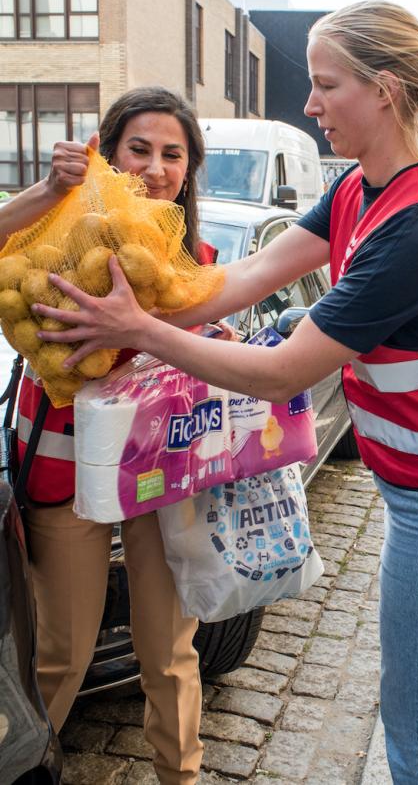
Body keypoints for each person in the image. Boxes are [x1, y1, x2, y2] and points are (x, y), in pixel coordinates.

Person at [34, 1, 418, 784]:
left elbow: (286, 369)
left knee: (413, 711)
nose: (310, 103)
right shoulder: (364, 189)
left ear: (384, 91)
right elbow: (247, 276)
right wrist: (121, 311)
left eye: (325, 85)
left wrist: (146, 331)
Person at [0, 86, 213, 785]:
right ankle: (21, 766)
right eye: (139, 149)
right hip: (66, 468)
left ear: (190, 168)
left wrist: (220, 340)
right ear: (108, 154)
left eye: (172, 154)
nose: (156, 167)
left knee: (170, 651)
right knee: (60, 649)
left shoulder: (195, 258)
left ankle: (179, 776)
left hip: (162, 471)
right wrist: (47, 189)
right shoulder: (58, 232)